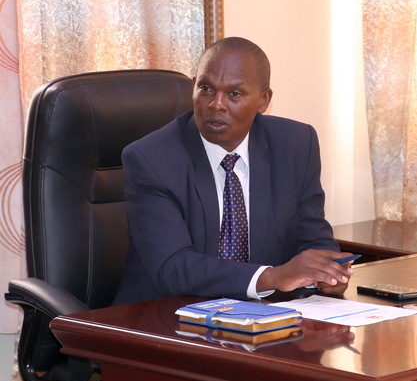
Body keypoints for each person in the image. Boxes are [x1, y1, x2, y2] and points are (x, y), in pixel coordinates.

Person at [112, 37, 354, 305]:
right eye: (206, 89)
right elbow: (174, 267)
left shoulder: (295, 144)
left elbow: (312, 237)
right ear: (193, 88)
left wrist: (327, 273)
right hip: (161, 318)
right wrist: (273, 277)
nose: (216, 104)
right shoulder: (152, 159)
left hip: (261, 318)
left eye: (234, 94)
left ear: (263, 100)